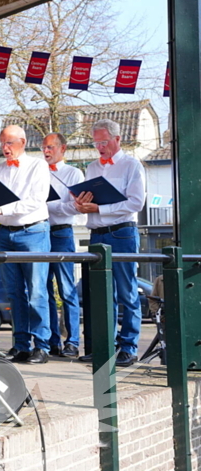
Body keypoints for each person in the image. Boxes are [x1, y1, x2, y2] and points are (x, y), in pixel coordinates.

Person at [74, 118, 146, 367]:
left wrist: (99, 208)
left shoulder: (131, 165)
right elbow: (89, 201)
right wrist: (81, 205)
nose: (99, 147)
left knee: (127, 291)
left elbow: (136, 203)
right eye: (96, 142)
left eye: (103, 141)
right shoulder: (92, 167)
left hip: (122, 233)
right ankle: (106, 346)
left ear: (117, 139)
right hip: (97, 234)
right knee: (102, 294)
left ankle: (129, 347)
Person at [0, 125, 51, 365]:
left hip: (33, 232)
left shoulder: (38, 165)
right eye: (2, 143)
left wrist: (2, 209)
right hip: (6, 233)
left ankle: (42, 345)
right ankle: (20, 345)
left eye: (10, 143)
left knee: (36, 291)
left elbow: (37, 200)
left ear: (23, 142)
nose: (5, 148)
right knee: (14, 293)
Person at [41, 132, 85, 358]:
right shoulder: (37, 172)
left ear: (63, 148)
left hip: (62, 233)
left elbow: (75, 208)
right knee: (44, 289)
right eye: (43, 147)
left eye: (50, 147)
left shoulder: (74, 173)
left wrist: (47, 206)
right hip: (40, 234)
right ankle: (52, 341)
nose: (46, 151)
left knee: (67, 290)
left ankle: (73, 342)